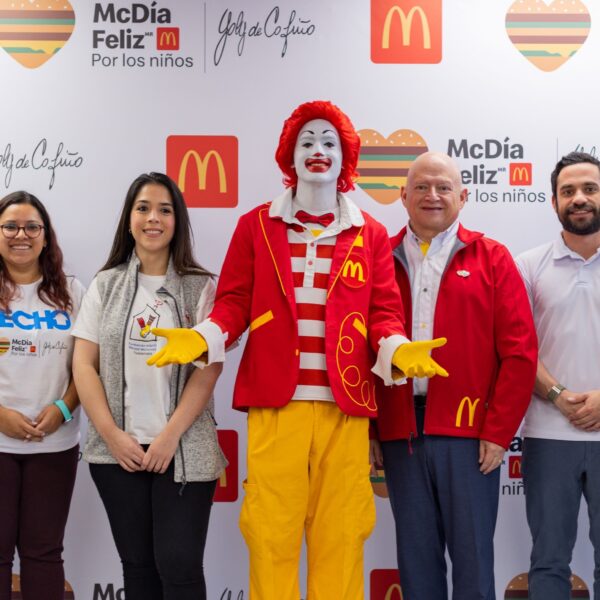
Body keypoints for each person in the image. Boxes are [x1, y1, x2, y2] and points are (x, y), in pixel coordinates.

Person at [147, 100, 447, 600]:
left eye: (329, 142)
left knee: (342, 535)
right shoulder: (256, 225)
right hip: (276, 406)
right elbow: (235, 302)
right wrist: (203, 336)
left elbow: (383, 313)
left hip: (345, 410)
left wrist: (396, 349)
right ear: (290, 155)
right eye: (307, 141)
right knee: (270, 535)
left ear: (345, 158)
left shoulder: (369, 234)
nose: (318, 151)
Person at [372, 152, 538, 600]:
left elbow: (520, 354)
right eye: (422, 187)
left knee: (473, 563)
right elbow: (362, 347)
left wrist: (500, 432)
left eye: (443, 187)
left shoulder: (492, 258)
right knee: (416, 564)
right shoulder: (376, 258)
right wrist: (373, 429)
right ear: (402, 195)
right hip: (400, 434)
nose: (432, 196)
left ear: (464, 197)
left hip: (470, 438)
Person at [72, 172, 226, 600]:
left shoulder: (200, 286)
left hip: (182, 451)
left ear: (177, 221)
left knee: (179, 566)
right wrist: (113, 436)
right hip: (117, 453)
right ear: (129, 219)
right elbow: (84, 365)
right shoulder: (106, 284)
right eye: (143, 208)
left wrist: (169, 437)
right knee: (137, 568)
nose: (152, 218)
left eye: (164, 209)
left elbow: (207, 369)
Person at [516, 151, 600, 599]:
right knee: (548, 563)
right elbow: (516, 347)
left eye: (589, 188)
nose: (579, 198)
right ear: (553, 202)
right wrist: (557, 393)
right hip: (549, 435)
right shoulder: (528, 265)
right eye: (568, 191)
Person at [0, 191, 84, 600]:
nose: (21, 234)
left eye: (32, 226)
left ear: (46, 236)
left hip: (55, 443)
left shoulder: (73, 291)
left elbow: (88, 367)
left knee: (43, 554)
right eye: (10, 226)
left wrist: (63, 409)